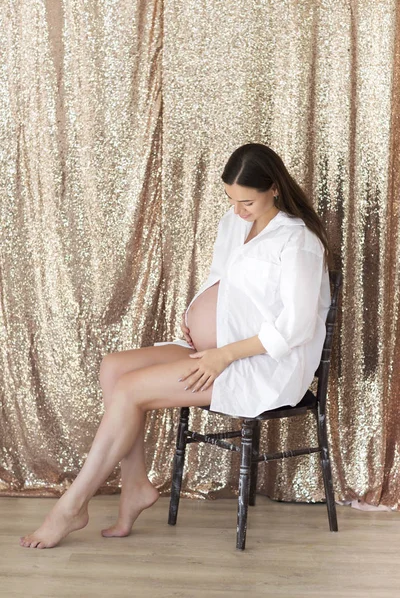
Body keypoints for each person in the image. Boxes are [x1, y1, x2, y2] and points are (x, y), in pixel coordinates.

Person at [20, 143, 332, 548]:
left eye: (247, 202)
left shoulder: (298, 241)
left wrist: (223, 353)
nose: (238, 210)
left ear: (273, 188)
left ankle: (71, 506)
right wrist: (195, 318)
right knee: (114, 368)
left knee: (131, 390)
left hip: (257, 366)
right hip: (214, 351)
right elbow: (222, 280)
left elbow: (295, 327)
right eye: (231, 199)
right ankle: (135, 486)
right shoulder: (235, 223)